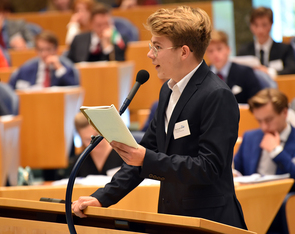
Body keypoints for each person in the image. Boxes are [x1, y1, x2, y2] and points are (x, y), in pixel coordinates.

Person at [72, 5, 247, 230]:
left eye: (157, 47)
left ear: (184, 52)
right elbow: (142, 155)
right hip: (172, 219)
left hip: (209, 222)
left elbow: (209, 167)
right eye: (150, 46)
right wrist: (101, 198)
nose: (149, 54)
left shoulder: (216, 95)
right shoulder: (167, 91)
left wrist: (147, 158)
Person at [234, 88, 295, 234]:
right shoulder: (250, 137)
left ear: (284, 113)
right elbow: (237, 169)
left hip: (283, 209)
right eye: (259, 121)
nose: (264, 127)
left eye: (268, 120)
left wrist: (276, 152)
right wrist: (234, 174)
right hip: (252, 205)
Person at [8, 31, 79, 90]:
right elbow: (11, 89)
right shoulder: (27, 68)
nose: (44, 54)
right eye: (41, 50)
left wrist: (59, 68)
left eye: (48, 49)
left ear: (56, 49)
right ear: (36, 50)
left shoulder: (65, 67)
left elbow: (74, 89)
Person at [206, 30, 262, 104]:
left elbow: (257, 102)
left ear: (228, 49)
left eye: (219, 49)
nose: (215, 54)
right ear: (206, 54)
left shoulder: (245, 72)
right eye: (210, 51)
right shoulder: (203, 75)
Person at [238, 7, 295, 77]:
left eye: (264, 25)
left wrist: (269, 71)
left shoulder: (285, 49)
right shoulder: (244, 51)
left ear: (271, 24)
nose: (260, 30)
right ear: (251, 26)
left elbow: (292, 69)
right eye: (256, 25)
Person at [72, 112, 124, 177]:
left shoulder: (123, 154)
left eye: (96, 136)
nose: (94, 142)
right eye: (87, 139)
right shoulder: (80, 162)